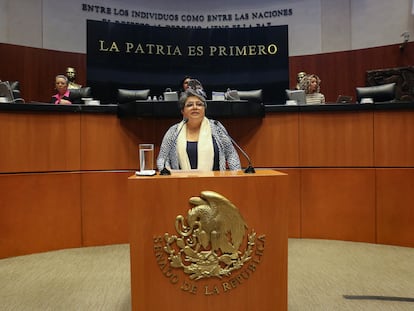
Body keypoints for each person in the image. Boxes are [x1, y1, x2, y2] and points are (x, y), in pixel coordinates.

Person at [157, 79, 241, 171]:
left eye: (199, 104)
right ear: (182, 111)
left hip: (215, 183)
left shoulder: (217, 128)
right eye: (189, 105)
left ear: (204, 108)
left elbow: (231, 155)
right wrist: (166, 171)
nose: (195, 107)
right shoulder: (173, 131)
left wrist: (236, 175)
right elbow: (162, 159)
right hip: (181, 183)